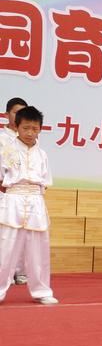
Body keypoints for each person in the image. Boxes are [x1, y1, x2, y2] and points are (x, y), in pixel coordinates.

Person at [0, 106, 57, 304]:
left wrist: (34, 196)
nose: (30, 133)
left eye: (34, 128)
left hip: (36, 202)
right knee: (5, 248)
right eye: (26, 128)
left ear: (40, 129)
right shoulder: (6, 151)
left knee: (38, 250)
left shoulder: (42, 155)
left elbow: (45, 183)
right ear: (17, 127)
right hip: (12, 200)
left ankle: (42, 291)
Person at [0, 97, 28, 285]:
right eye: (15, 112)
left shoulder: (28, 136)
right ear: (6, 114)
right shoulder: (2, 137)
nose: (18, 116)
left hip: (23, 191)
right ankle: (5, 273)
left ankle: (20, 271)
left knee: (22, 231)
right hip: (4, 188)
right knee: (6, 233)